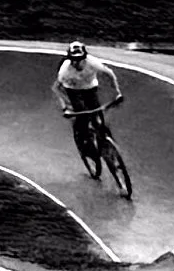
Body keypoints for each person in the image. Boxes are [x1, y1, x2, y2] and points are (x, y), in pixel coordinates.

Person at [52, 41, 124, 174]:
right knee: (82, 114)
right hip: (73, 90)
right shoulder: (64, 71)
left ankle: (106, 143)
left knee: (98, 117)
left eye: (79, 60)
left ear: (84, 58)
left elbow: (109, 74)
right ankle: (85, 145)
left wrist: (117, 93)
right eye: (74, 60)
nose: (77, 63)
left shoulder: (93, 62)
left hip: (90, 88)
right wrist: (65, 107)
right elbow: (57, 88)